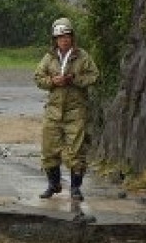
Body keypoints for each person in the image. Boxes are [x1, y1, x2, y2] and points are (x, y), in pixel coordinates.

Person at [34, 17, 100, 200]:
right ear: (55, 39)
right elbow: (38, 78)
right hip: (53, 110)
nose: (64, 40)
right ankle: (53, 184)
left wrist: (75, 79)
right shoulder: (49, 57)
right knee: (49, 149)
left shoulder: (82, 56)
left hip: (76, 111)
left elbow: (94, 76)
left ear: (72, 37)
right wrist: (52, 81)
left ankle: (75, 188)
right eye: (60, 37)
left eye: (67, 36)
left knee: (76, 151)